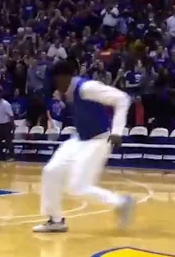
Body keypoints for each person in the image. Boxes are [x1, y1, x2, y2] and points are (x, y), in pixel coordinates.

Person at [33, 61, 135, 233]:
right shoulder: (68, 91)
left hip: (98, 140)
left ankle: (120, 202)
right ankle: (55, 220)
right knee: (51, 171)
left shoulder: (87, 87)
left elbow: (122, 99)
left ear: (63, 78)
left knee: (77, 186)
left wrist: (117, 131)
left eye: (55, 80)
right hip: (79, 138)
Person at [0, 91, 14, 161]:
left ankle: (11, 156)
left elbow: (11, 115)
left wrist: (12, 125)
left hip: (6, 124)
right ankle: (0, 155)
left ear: (0, 97)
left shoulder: (6, 104)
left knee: (8, 141)